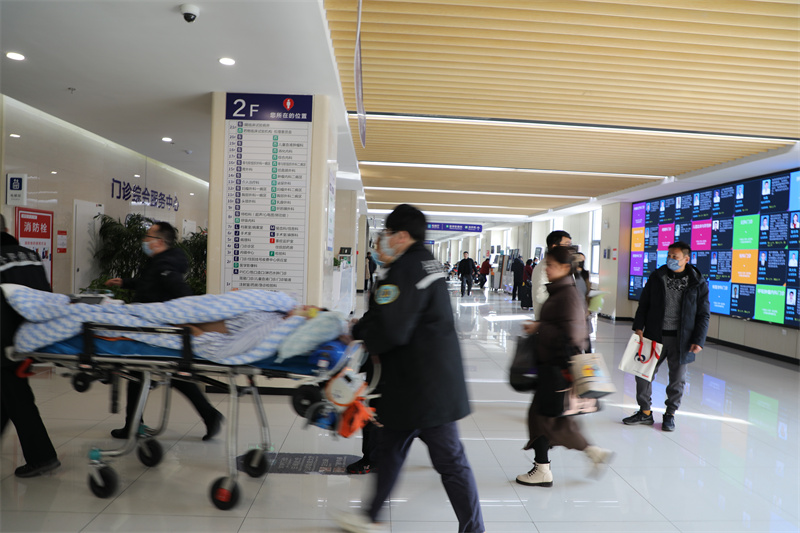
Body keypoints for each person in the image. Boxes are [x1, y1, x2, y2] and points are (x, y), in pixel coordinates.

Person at [334, 204, 485, 533]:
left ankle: (474, 529)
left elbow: (393, 329)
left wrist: (359, 334)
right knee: (390, 450)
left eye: (387, 233)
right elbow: (394, 315)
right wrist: (365, 328)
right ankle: (369, 516)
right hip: (418, 383)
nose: (384, 240)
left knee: (449, 461)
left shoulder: (406, 268)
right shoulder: (425, 262)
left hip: (424, 389)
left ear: (401, 236)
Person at [104, 222, 223, 440]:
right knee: (159, 374)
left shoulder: (165, 265)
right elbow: (149, 284)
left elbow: (181, 292)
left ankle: (134, 425)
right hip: (153, 329)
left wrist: (183, 318)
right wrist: (125, 282)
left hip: (158, 332)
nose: (144, 241)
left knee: (141, 373)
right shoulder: (160, 262)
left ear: (159, 242)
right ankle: (208, 415)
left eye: (148, 237)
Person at [516, 246, 613, 487]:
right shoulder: (561, 291)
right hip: (551, 366)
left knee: (544, 419)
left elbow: (572, 335)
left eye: (551, 265)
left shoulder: (567, 295)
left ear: (565, 267)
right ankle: (581, 456)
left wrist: (539, 328)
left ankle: (547, 467)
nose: (546, 269)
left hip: (557, 368)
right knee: (548, 419)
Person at [623, 241, 710, 432]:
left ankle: (670, 414)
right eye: (669, 255)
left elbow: (703, 314)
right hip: (654, 336)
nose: (670, 259)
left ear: (686, 259)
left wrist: (699, 340)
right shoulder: (657, 277)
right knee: (643, 375)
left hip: (682, 339)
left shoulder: (697, 282)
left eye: (675, 257)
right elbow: (644, 303)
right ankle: (645, 412)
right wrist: (639, 327)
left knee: (677, 380)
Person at [0, 214, 61, 478]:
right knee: (9, 396)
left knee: (17, 398)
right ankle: (41, 455)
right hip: (33, 335)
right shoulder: (31, 254)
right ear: (6, 229)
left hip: (5, 342)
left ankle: (42, 457)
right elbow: (44, 294)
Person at [531, 230, 572, 318]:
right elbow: (540, 296)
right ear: (554, 246)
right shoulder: (544, 268)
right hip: (550, 319)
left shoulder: (562, 266)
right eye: (567, 245)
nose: (569, 249)